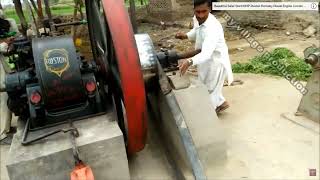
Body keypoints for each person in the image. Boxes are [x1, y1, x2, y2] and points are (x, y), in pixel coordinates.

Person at [175, 0, 233, 113]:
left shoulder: (213, 28)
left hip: (215, 61)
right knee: (207, 84)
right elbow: (196, 30)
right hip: (203, 59)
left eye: (204, 11)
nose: (200, 15)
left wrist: (189, 61)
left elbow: (207, 53)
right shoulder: (197, 19)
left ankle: (209, 113)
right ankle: (221, 103)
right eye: (198, 12)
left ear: (210, 9)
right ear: (194, 10)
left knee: (209, 89)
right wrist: (185, 36)